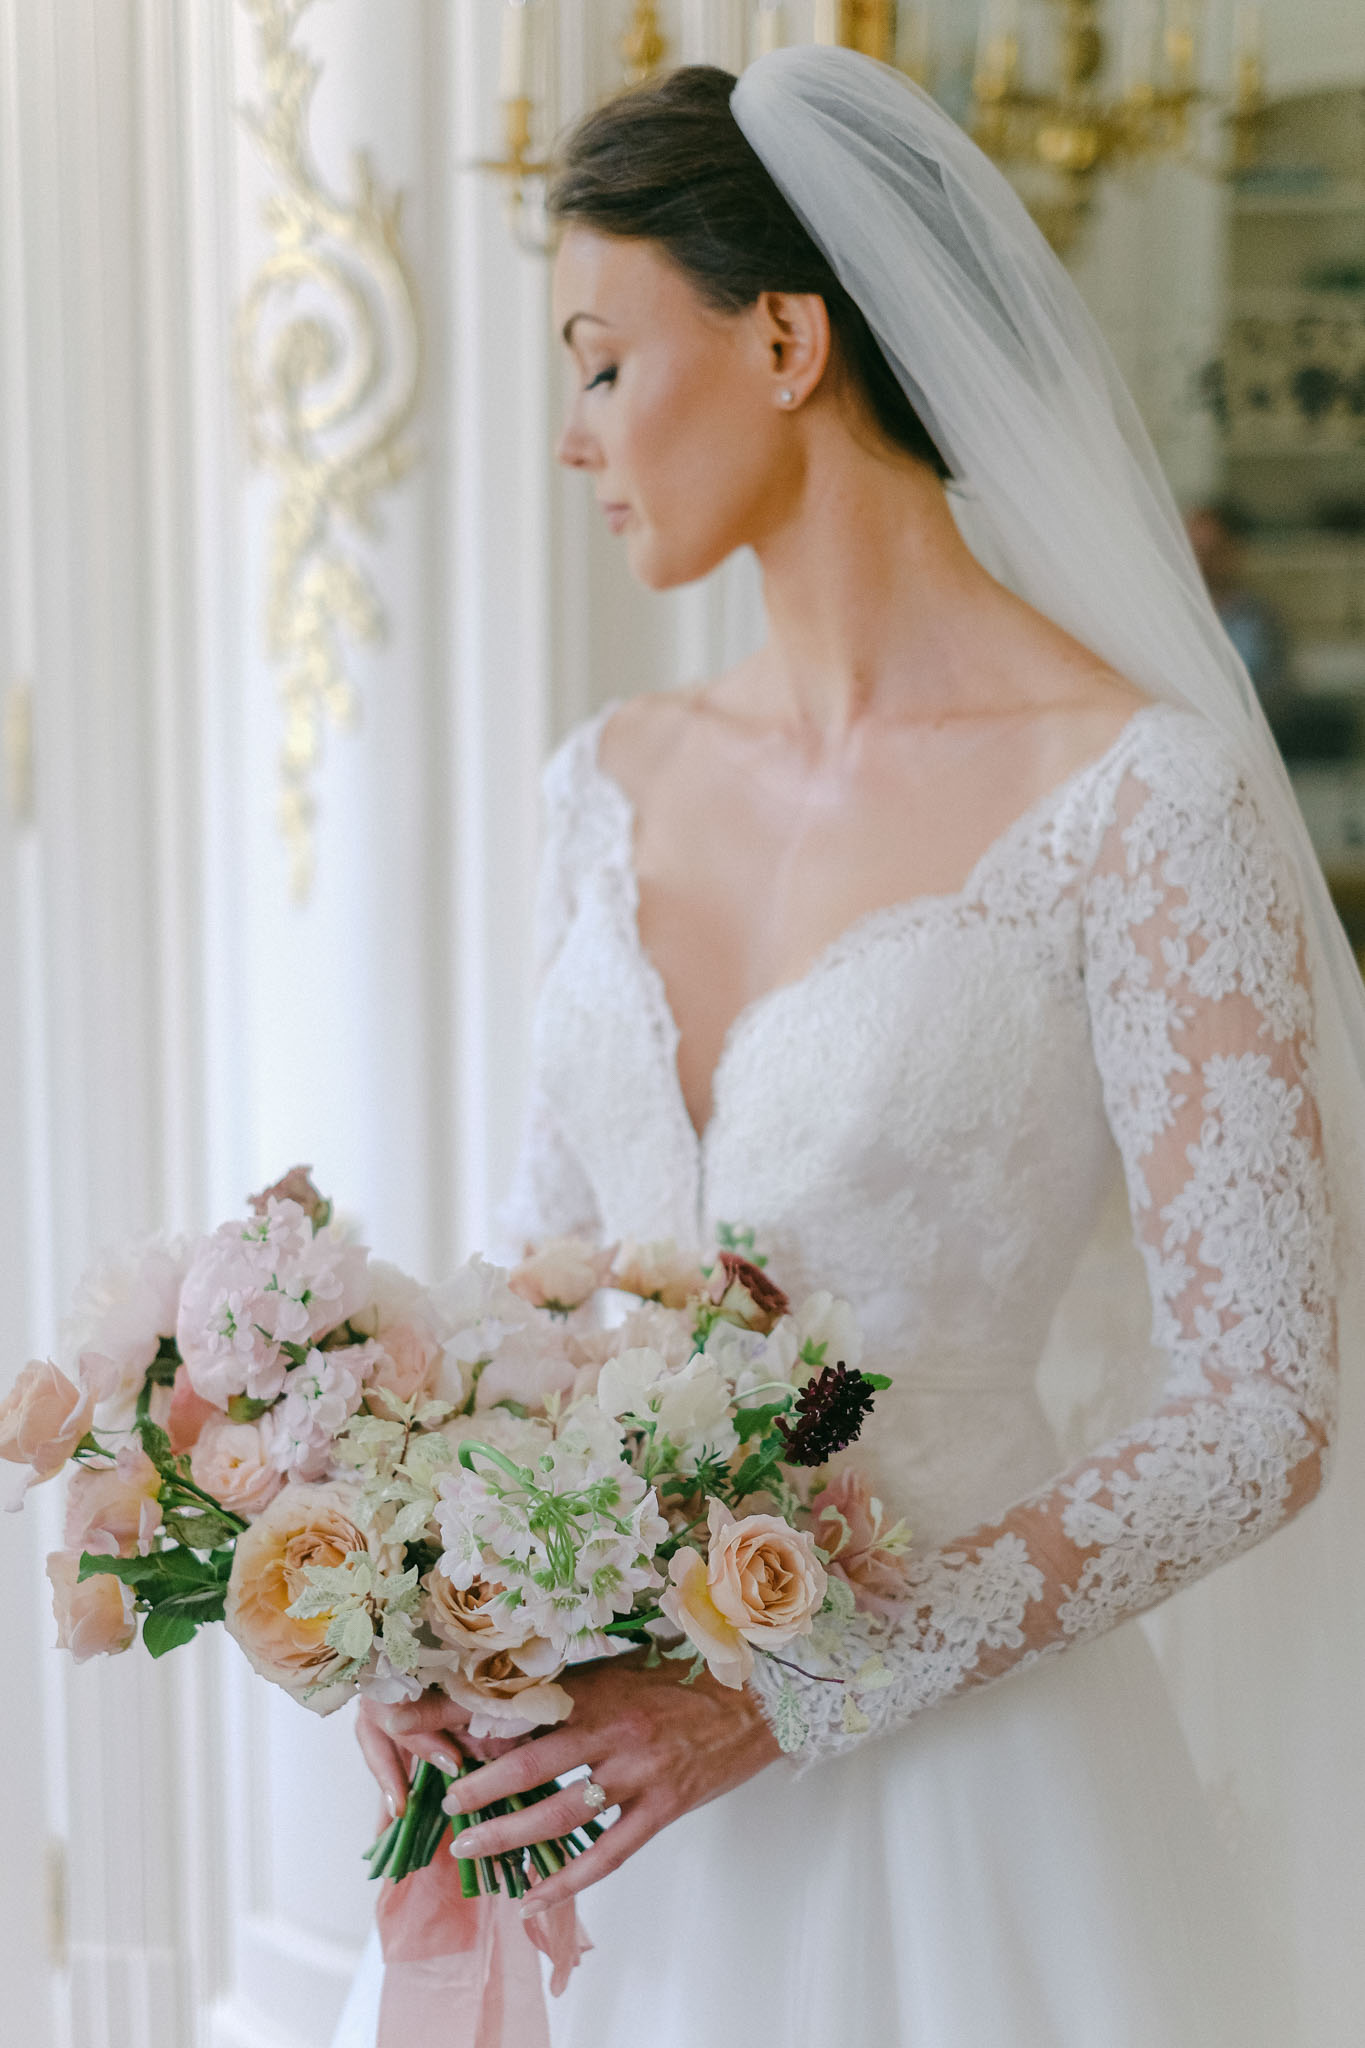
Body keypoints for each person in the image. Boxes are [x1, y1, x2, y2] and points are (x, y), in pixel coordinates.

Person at [337, 48, 1365, 2048]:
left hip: (974, 1812)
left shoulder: (1138, 799)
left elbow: (1258, 1412)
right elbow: (539, 1287)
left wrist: (791, 1688)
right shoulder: (603, 780)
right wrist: (429, 1610)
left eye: (601, 361)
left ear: (785, 341)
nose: (572, 437)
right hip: (612, 1794)